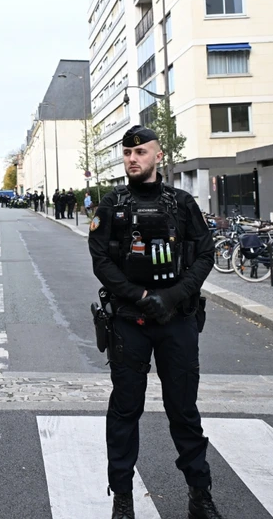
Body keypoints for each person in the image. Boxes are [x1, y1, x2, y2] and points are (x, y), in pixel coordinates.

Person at [88, 125, 222, 519]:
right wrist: (142, 297)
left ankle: (200, 496)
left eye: (140, 152)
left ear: (158, 156)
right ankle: (122, 499)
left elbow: (205, 254)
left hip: (177, 320)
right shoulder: (111, 205)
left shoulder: (181, 203)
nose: (132, 159)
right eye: (127, 153)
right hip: (130, 322)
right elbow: (101, 261)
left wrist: (173, 296)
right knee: (125, 410)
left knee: (183, 410)